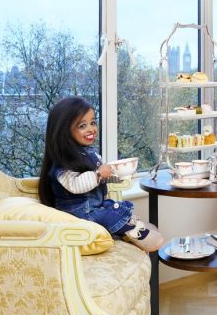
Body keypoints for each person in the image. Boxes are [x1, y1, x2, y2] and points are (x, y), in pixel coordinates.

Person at [38, 96, 165, 252]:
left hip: (95, 207)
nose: (91, 129)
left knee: (113, 206)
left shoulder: (90, 154)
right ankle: (135, 231)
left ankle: (129, 229)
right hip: (80, 214)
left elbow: (101, 179)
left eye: (92, 122)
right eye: (82, 126)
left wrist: (117, 176)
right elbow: (76, 185)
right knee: (111, 215)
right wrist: (98, 174)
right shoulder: (62, 163)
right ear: (64, 131)